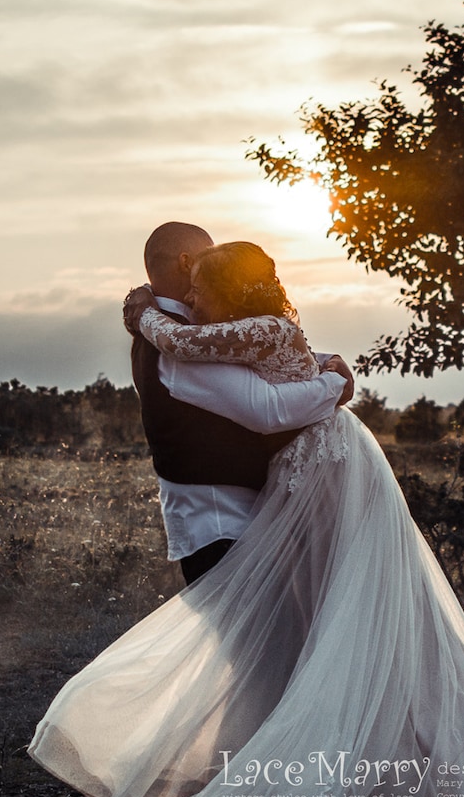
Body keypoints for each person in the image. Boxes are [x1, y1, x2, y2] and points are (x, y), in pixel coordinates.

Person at [29, 241, 464, 797]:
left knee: (342, 627)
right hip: (305, 478)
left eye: (202, 288)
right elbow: (249, 379)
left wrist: (146, 314)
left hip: (328, 472)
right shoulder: (236, 334)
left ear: (230, 291)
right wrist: (328, 377)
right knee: (326, 631)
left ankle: (405, 785)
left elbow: (260, 396)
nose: (192, 301)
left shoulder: (253, 329)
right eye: (186, 286)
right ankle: (355, 784)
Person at [129, 221, 353, 584]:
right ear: (188, 263)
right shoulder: (170, 342)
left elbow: (262, 358)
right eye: (209, 256)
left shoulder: (191, 326)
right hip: (218, 523)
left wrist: (325, 364)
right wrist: (334, 383)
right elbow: (268, 409)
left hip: (247, 511)